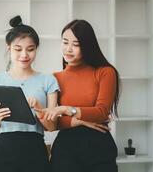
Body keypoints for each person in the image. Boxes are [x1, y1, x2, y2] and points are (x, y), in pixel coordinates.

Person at [42, 19, 120, 172]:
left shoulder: (105, 72)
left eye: (76, 45)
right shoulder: (55, 78)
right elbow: (52, 123)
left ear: (87, 46)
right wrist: (80, 121)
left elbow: (102, 111)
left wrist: (66, 109)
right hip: (66, 150)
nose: (68, 49)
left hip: (99, 148)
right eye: (65, 42)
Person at [0, 15, 59, 172]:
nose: (24, 55)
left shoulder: (48, 81)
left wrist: (40, 110)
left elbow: (52, 127)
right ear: (9, 48)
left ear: (36, 49)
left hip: (35, 151)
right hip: (3, 151)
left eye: (30, 49)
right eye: (18, 49)